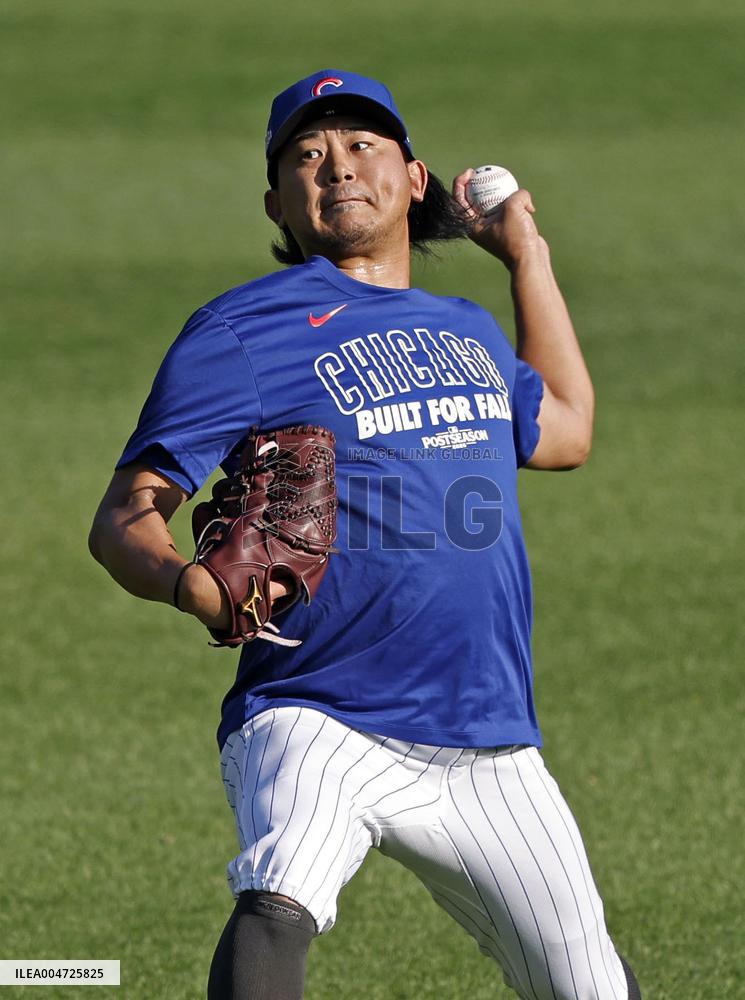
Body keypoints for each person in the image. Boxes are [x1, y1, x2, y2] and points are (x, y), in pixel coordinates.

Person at [89, 69, 641, 1000]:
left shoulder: (463, 326)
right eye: (307, 155)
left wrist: (525, 256)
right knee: (278, 897)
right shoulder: (239, 329)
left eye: (360, 146)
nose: (336, 167)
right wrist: (186, 581)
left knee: (588, 984)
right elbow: (123, 517)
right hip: (316, 709)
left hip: (488, 734)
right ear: (278, 201)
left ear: (413, 179)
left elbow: (568, 433)